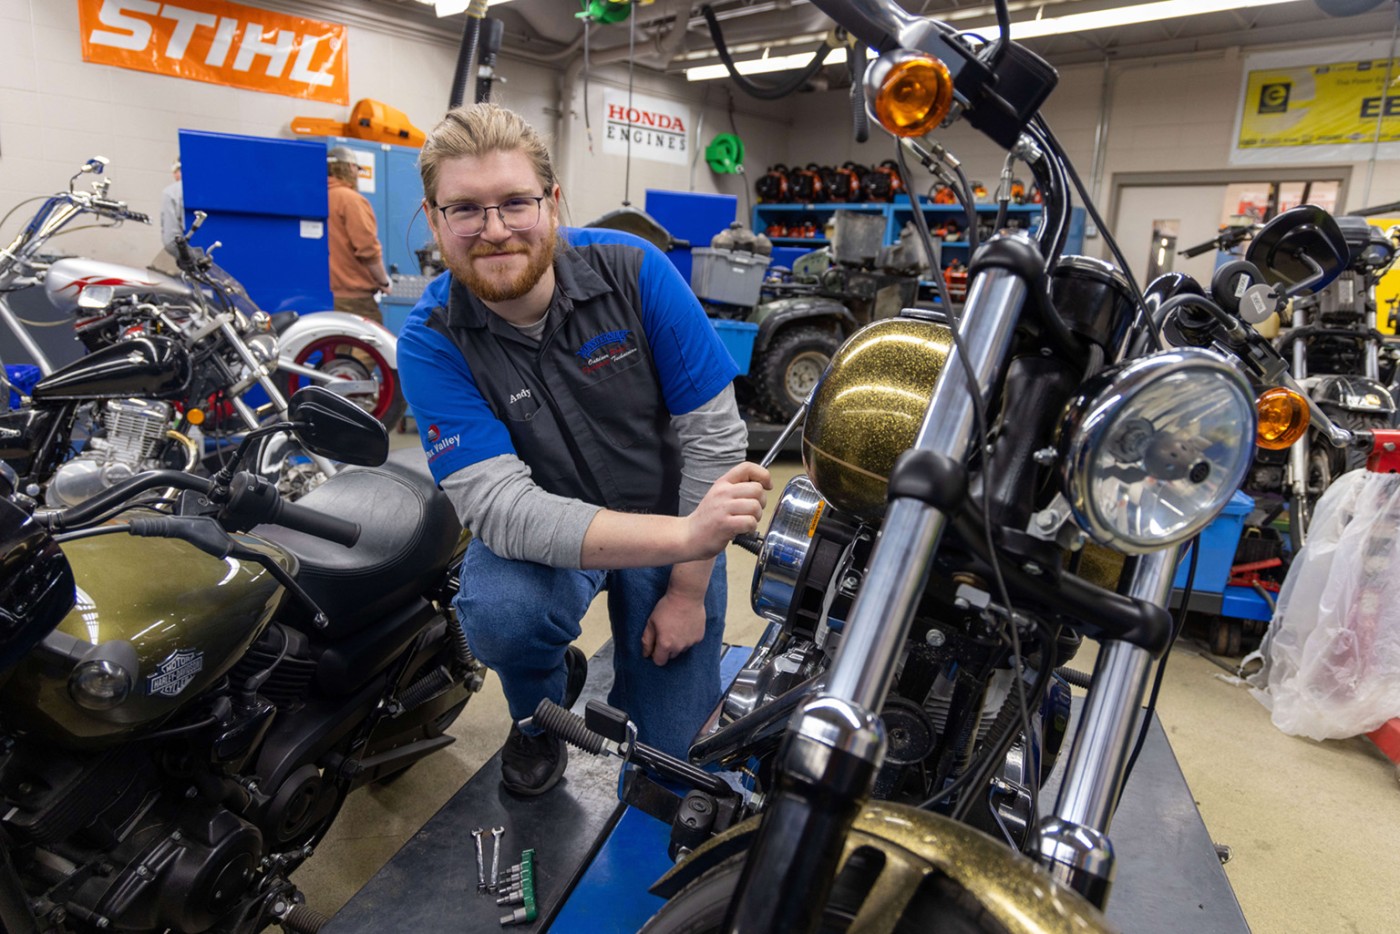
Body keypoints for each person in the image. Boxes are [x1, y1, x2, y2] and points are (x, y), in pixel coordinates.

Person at [397, 103, 770, 797]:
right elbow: (502, 511)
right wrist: (693, 533)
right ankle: (539, 715)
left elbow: (714, 440)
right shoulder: (432, 340)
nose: (496, 229)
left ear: (554, 201)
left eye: (516, 202)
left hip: (667, 519)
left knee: (668, 768)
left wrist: (687, 587)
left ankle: (654, 685)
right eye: (466, 210)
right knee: (500, 616)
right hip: (549, 528)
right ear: (434, 218)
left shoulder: (635, 273)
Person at [326, 146, 391, 323]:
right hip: (354, 298)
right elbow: (367, 248)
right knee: (368, 348)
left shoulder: (318, 197)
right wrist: (384, 281)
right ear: (350, 168)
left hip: (324, 296)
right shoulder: (350, 200)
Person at [159, 159, 183, 256]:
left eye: (177, 171)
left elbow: (171, 238)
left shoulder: (171, 192)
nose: (175, 175)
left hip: (191, 255)